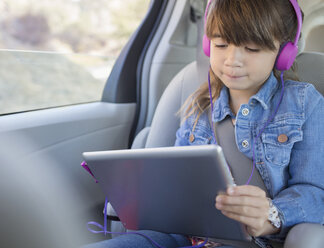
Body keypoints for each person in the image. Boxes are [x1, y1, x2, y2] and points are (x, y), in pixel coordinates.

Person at [83, 0, 324, 247]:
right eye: (221, 44)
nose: (233, 60)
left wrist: (272, 215)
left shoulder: (305, 105)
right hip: (184, 235)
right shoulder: (199, 106)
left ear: (284, 53)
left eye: (252, 48)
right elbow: (176, 175)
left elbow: (316, 191)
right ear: (208, 45)